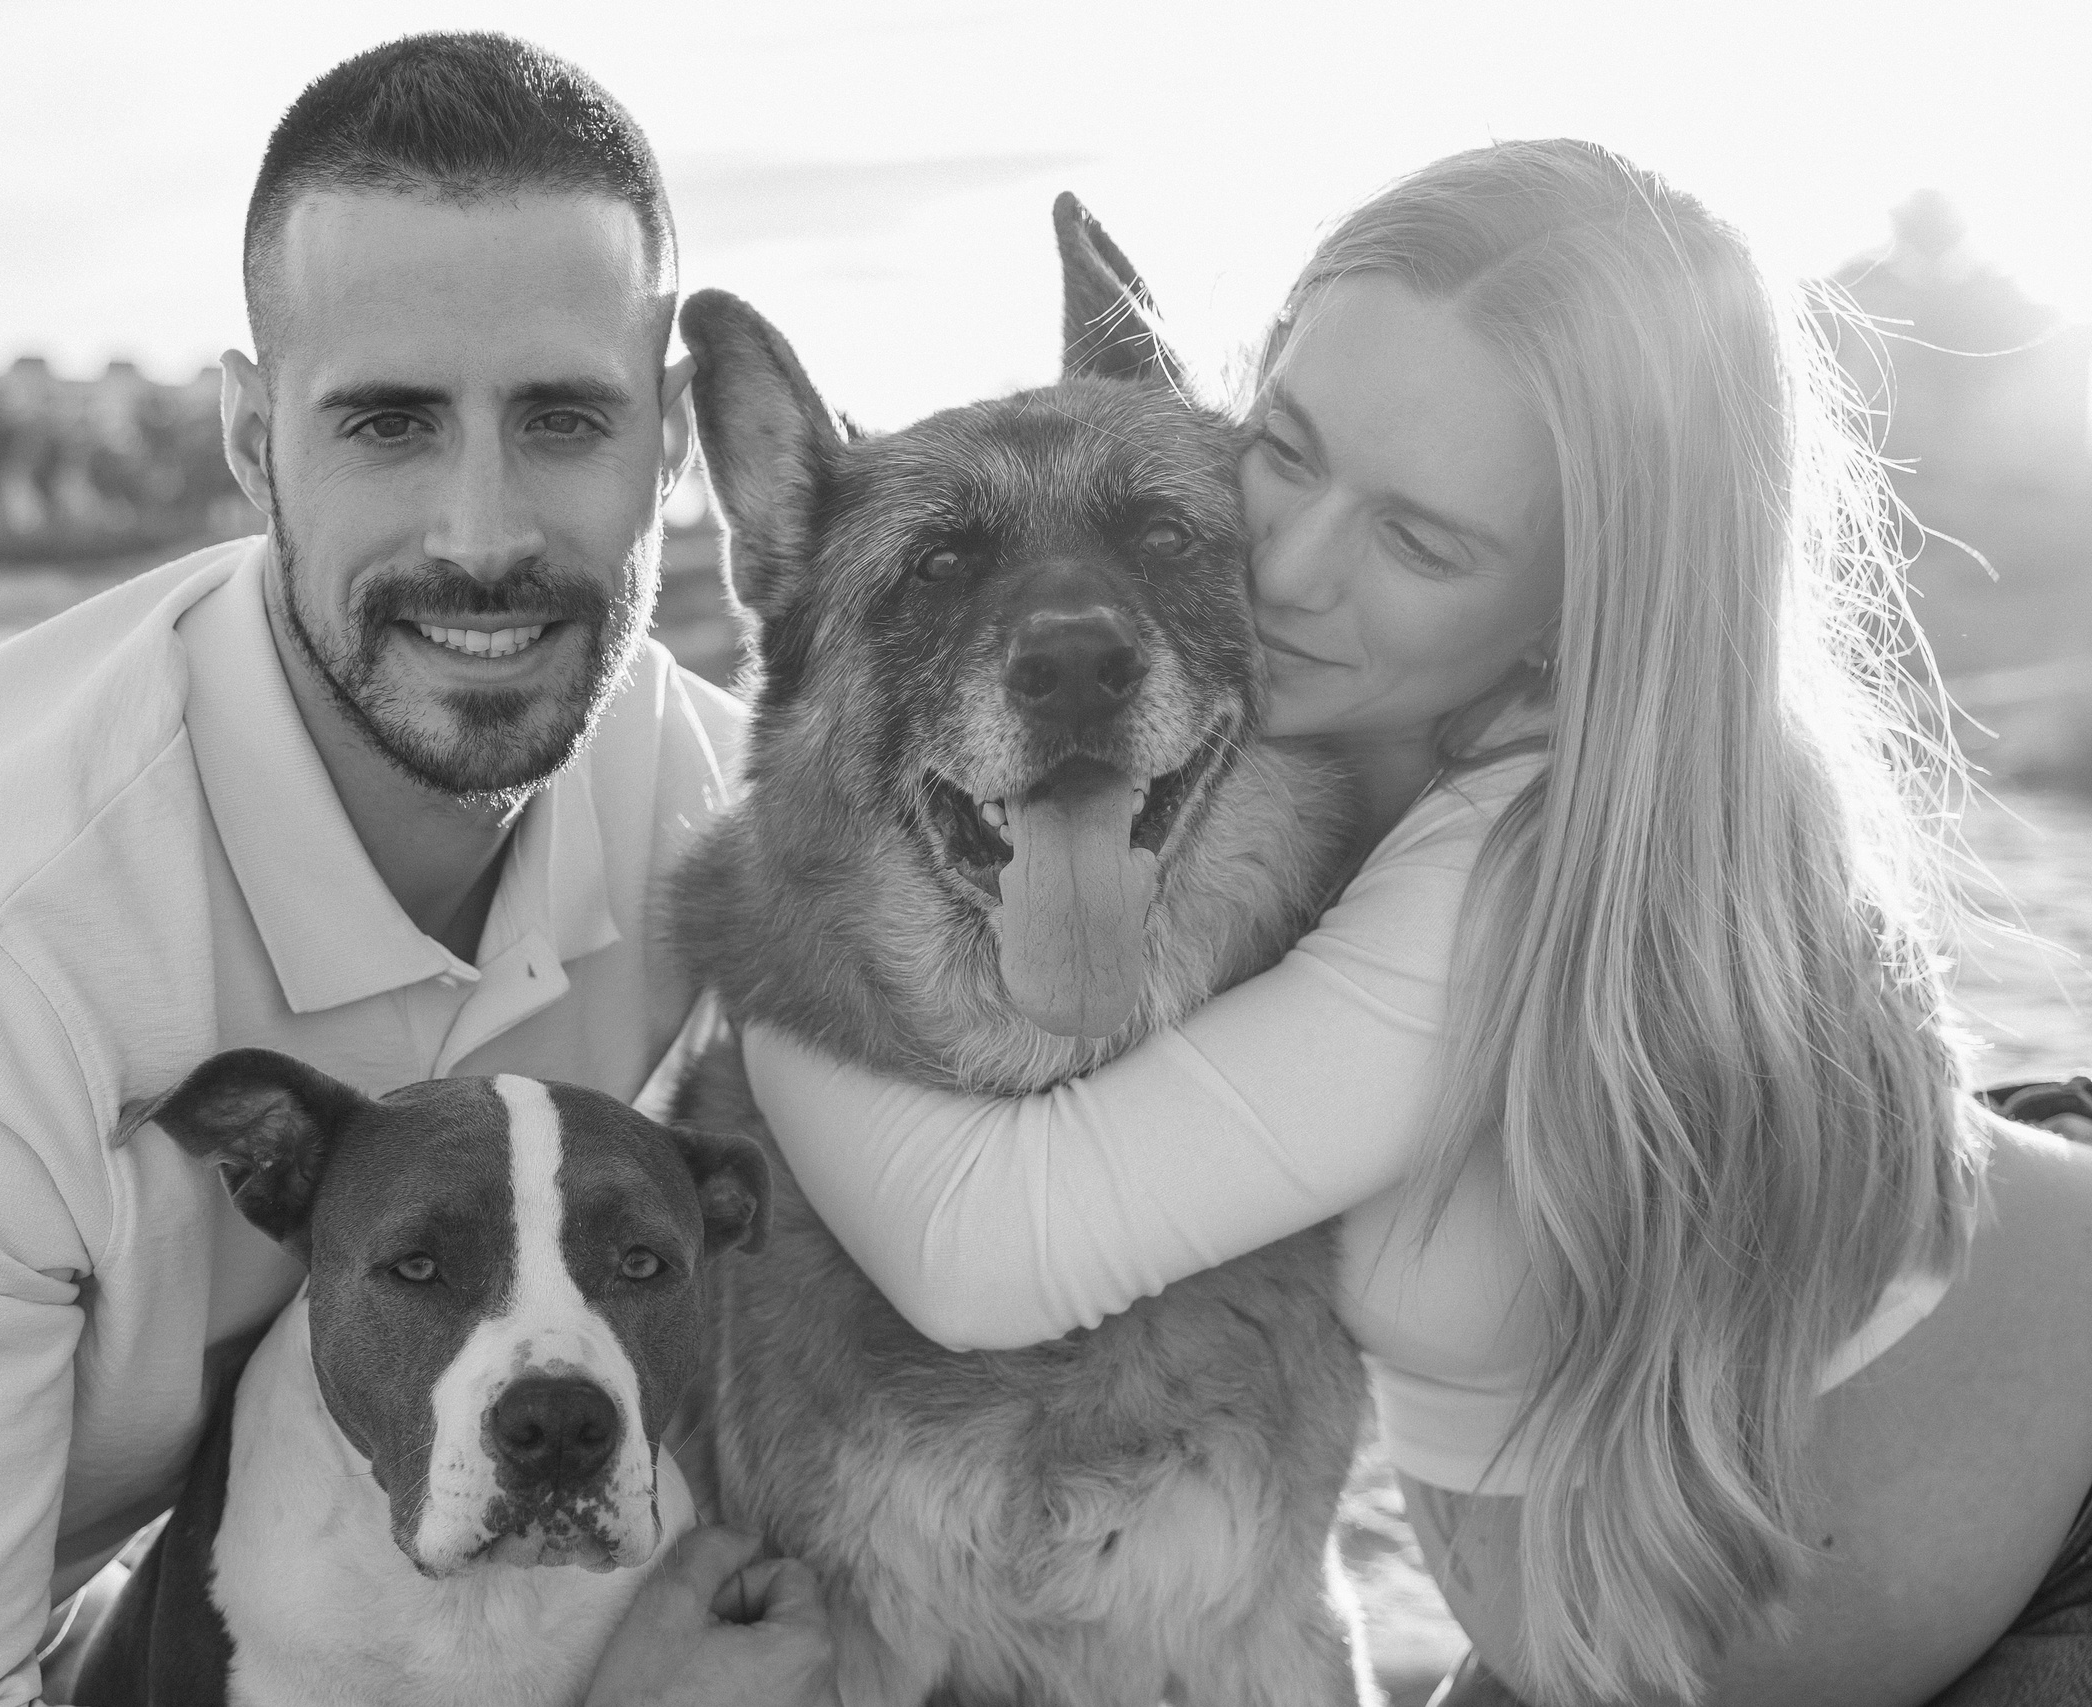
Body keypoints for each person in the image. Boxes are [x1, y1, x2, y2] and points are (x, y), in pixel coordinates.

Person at [0, 33, 832, 1707]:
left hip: (35, 1571)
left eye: (564, 418)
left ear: (673, 448)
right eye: (387, 422)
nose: (483, 533)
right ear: (251, 441)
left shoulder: (723, 826)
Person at [739, 139, 2092, 1707]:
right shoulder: (1290, 775)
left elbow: (986, 1253)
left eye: (1422, 540)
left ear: (1585, 600)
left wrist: (752, 941)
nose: (1295, 569)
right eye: (1288, 451)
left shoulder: (1513, 869)